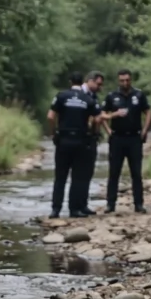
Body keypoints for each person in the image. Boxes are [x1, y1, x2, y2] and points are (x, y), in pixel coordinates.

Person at [46, 72, 99, 218]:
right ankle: (74, 210)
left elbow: (50, 116)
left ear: (70, 82)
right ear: (82, 82)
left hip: (63, 140)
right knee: (77, 177)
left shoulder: (61, 96)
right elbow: (97, 119)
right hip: (81, 141)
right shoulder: (88, 98)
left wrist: (54, 132)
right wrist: (93, 133)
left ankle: (55, 209)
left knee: (60, 176)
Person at [102, 69, 151, 214]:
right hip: (117, 137)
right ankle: (110, 204)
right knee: (114, 172)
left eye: (127, 80)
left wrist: (145, 130)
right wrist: (109, 128)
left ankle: (139, 204)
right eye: (122, 80)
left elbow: (148, 111)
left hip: (134, 138)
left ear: (131, 80)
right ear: (119, 81)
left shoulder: (138, 94)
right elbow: (102, 114)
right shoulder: (112, 96)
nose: (125, 83)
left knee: (136, 172)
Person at [69, 71, 107, 216]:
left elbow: (97, 117)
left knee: (87, 173)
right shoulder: (79, 96)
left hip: (90, 138)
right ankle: (75, 207)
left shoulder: (93, 97)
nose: (100, 87)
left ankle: (83, 204)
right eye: (98, 84)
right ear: (89, 81)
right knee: (77, 174)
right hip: (78, 137)